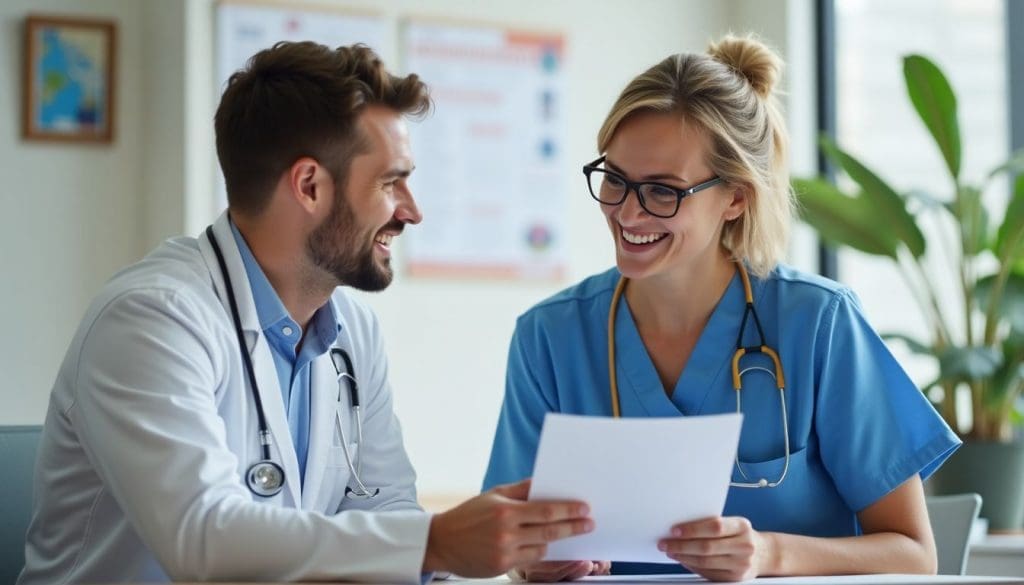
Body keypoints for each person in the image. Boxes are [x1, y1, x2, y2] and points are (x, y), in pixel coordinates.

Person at [18, 41, 594, 585]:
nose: (412, 213)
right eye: (392, 183)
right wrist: (437, 542)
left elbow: (385, 506)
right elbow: (200, 541)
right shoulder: (152, 319)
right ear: (310, 185)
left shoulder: (351, 329)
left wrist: (510, 546)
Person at [482, 34, 960, 582]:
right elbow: (511, 550)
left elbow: (914, 555)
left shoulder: (818, 323)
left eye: (663, 191)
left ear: (735, 197)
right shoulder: (550, 337)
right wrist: (539, 567)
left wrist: (769, 555)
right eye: (614, 180)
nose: (627, 213)